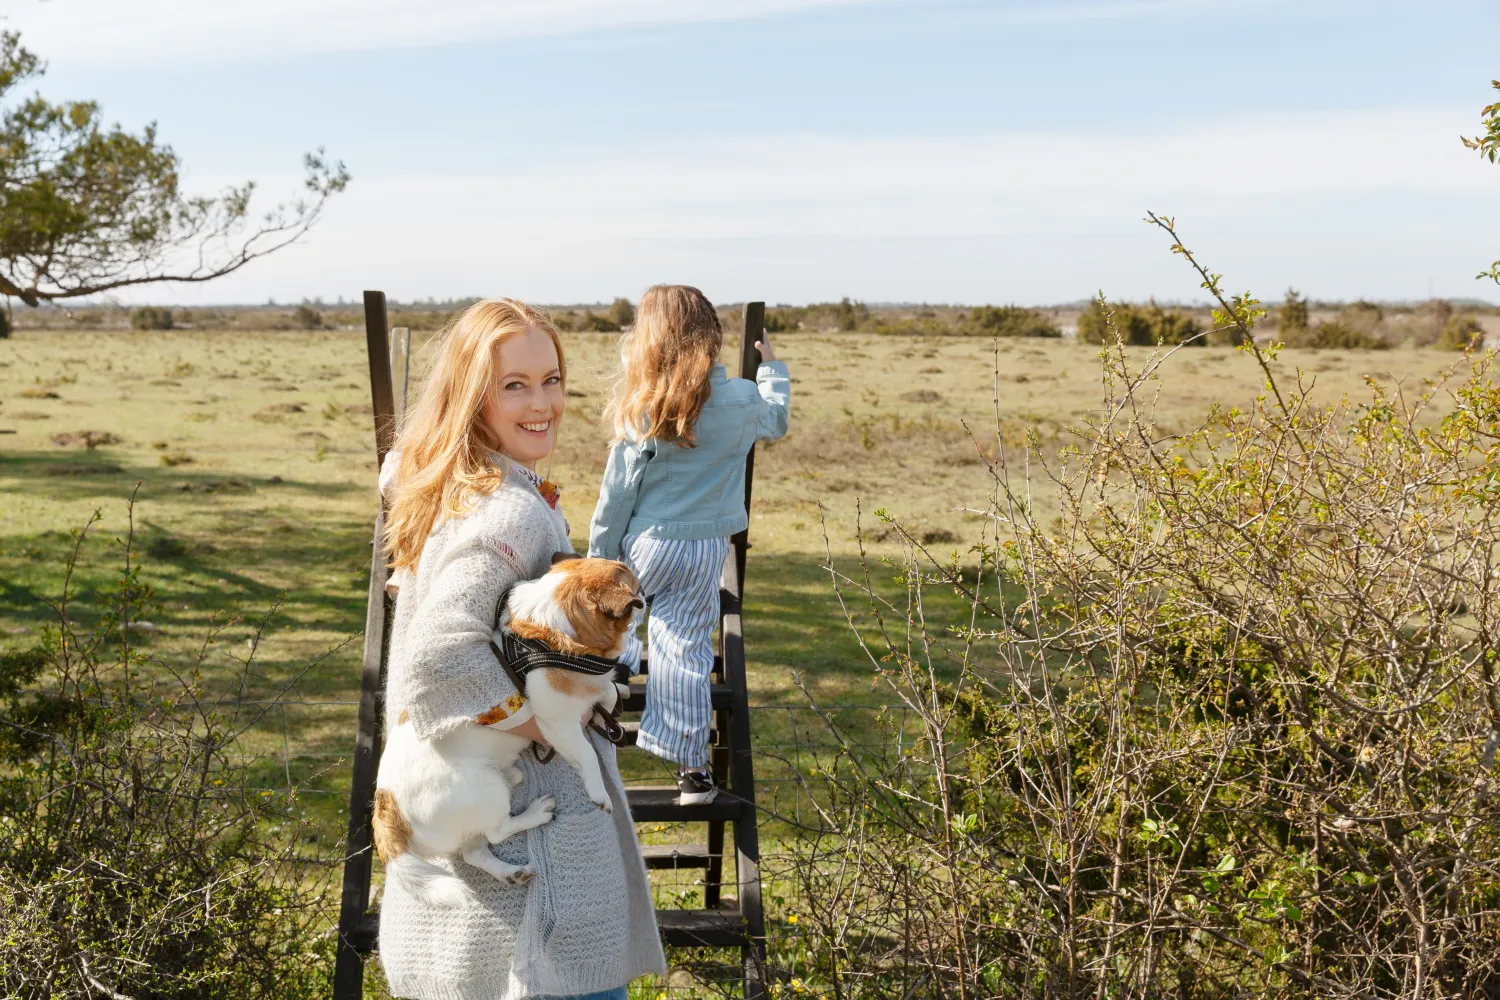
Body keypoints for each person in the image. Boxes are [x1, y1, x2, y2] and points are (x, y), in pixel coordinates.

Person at [377, 299, 665, 1000]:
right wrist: (542, 723)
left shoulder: (453, 488)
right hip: (533, 921)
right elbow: (438, 656)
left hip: (469, 895)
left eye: (552, 379)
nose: (543, 403)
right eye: (515, 385)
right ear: (472, 396)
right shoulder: (507, 511)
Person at [588, 285, 791, 804]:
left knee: (609, 625)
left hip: (647, 545)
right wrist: (772, 370)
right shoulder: (742, 399)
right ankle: (694, 773)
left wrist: (600, 558)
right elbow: (775, 419)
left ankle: (615, 671)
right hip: (704, 550)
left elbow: (617, 496)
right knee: (686, 651)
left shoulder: (647, 406)